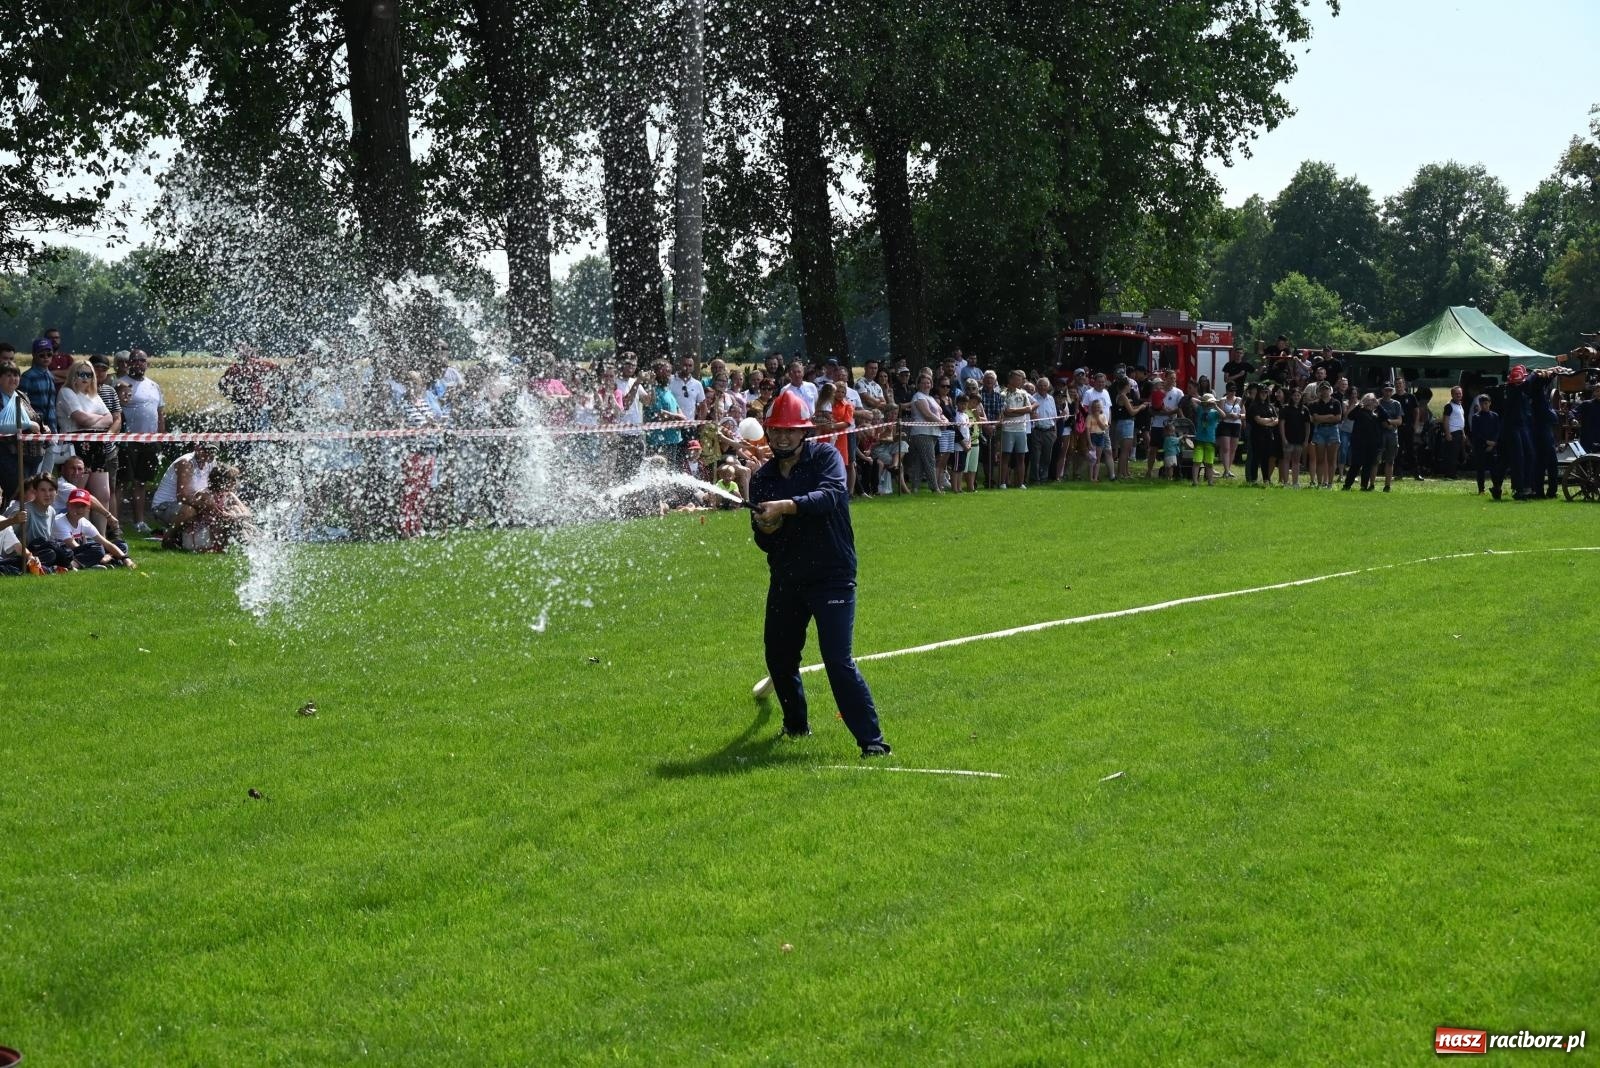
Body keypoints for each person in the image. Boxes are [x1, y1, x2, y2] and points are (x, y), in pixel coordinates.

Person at [748, 390, 891, 757]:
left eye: (790, 431)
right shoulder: (762, 478)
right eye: (776, 430)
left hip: (832, 575)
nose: (782, 438)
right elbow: (763, 541)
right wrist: (766, 528)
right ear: (768, 432)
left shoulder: (826, 457)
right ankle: (796, 725)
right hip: (787, 577)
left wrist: (786, 506)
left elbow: (831, 496)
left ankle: (873, 743)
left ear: (804, 432)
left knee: (837, 660)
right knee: (779, 658)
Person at [118, 350, 166, 532]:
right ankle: (116, 523)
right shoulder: (121, 383)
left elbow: (160, 412)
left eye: (142, 360)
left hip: (150, 440)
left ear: (147, 363)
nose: (138, 363)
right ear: (129, 363)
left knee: (141, 482)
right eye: (135, 360)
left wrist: (161, 436)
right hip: (127, 440)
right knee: (122, 482)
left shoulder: (154, 386)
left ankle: (139, 522)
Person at [150, 442, 218, 540]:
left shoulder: (212, 463)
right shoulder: (185, 463)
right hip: (164, 506)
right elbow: (182, 496)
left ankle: (180, 536)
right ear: (197, 447)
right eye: (205, 450)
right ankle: (168, 538)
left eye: (212, 451)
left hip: (189, 503)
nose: (208, 454)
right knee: (189, 511)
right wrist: (207, 506)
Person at [53, 488, 135, 568]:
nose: (79, 509)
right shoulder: (59, 521)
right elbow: (75, 547)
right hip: (66, 554)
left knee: (121, 545)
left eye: (82, 506)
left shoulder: (83, 522)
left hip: (83, 552)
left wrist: (126, 558)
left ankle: (102, 560)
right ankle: (103, 561)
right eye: (75, 505)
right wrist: (101, 554)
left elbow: (105, 543)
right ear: (67, 505)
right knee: (98, 549)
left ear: (88, 509)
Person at [0, 362, 43, 504]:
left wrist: (43, 427)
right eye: (8, 375)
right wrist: (28, 424)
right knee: (16, 497)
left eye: (16, 375)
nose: (13, 379)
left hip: (30, 456)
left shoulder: (21, 395)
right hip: (8, 455)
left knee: (29, 496)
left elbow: (34, 417)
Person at [998, 369, 1035, 489]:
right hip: (1008, 429)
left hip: (1021, 429)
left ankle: (1021, 483)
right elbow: (1005, 412)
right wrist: (1020, 412)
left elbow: (1029, 409)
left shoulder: (1023, 393)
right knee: (1006, 456)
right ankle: (1003, 483)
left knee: (1021, 456)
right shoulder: (1003, 394)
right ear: (1011, 380)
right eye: (1018, 379)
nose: (1020, 381)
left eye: (1021, 379)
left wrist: (1014, 410)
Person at [1343, 393, 1384, 491]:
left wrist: (1378, 405)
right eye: (1369, 399)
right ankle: (1347, 485)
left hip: (1372, 444)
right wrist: (1359, 405)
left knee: (1368, 466)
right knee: (1356, 464)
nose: (1371, 401)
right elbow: (1350, 416)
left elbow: (1386, 417)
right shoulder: (1359, 411)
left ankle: (1364, 486)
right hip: (1359, 443)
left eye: (1373, 400)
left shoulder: (1376, 414)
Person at [1469, 393, 1503, 498]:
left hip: (1492, 446)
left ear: (1490, 403)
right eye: (1482, 404)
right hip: (1480, 446)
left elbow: (1498, 430)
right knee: (1480, 469)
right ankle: (1481, 489)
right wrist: (1486, 442)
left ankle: (1496, 487)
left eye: (1486, 403)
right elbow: (1476, 433)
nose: (1484, 406)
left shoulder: (1494, 416)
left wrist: (1493, 443)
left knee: (1494, 469)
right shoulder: (1476, 417)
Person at [1376, 383, 1403, 492]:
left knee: (1390, 460)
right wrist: (1384, 423)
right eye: (1386, 390)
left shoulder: (1396, 404)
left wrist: (1389, 422)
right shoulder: (1377, 402)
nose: (1388, 392)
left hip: (1392, 435)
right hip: (1379, 434)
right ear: (1382, 390)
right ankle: (1371, 484)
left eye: (1390, 390)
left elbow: (1399, 421)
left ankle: (1387, 485)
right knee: (1375, 460)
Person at [1191, 393, 1220, 486]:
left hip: (1210, 441)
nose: (1211, 404)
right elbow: (1192, 400)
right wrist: (1203, 402)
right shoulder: (1200, 409)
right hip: (1199, 440)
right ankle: (1195, 481)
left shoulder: (1215, 412)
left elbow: (1223, 415)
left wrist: (1216, 406)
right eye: (1210, 402)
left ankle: (1210, 482)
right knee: (1197, 462)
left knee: (1209, 463)